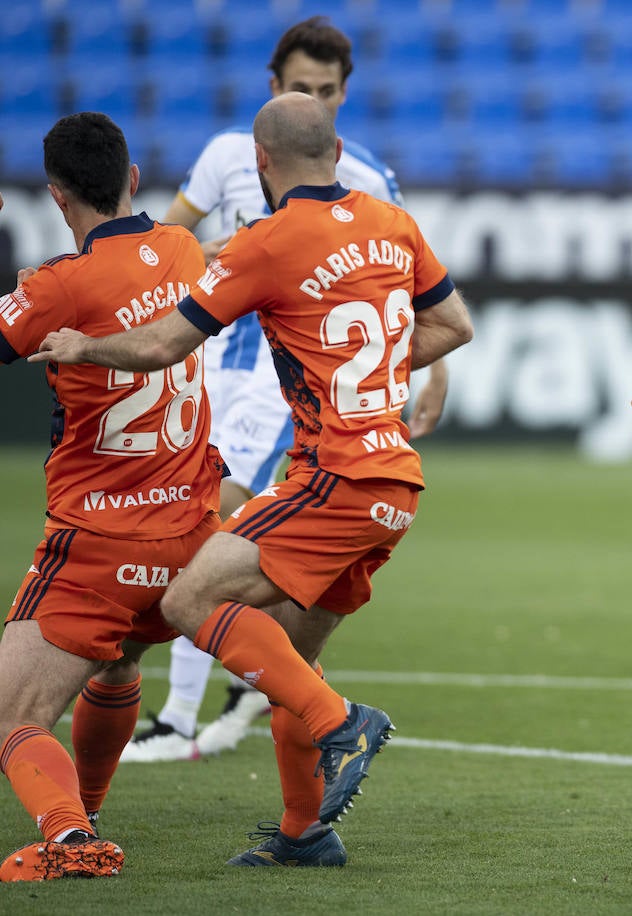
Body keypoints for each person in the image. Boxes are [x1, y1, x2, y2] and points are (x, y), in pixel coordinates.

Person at [32, 92, 475, 868]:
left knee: (191, 600)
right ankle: (307, 834)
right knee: (288, 662)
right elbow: (453, 326)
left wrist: (85, 346)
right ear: (337, 154)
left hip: (331, 478)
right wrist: (360, 375)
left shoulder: (264, 243)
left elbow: (167, 343)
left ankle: (341, 723)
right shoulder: (393, 222)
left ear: (260, 163)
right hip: (396, 487)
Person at [122, 14, 451, 765]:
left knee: (211, 538)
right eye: (303, 87)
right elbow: (168, 246)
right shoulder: (227, 156)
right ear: (274, 90)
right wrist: (193, 257)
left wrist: (419, 372)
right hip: (217, 372)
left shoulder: (366, 181)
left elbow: (412, 301)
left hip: (283, 389)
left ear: (343, 100)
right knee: (207, 544)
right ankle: (299, 805)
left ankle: (178, 718)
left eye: (328, 90)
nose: (317, 99)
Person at [0, 112, 225, 880]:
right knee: (118, 666)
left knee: (13, 712)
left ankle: (70, 838)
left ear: (58, 199)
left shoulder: (58, 286)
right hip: (193, 532)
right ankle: (87, 810)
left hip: (101, 539)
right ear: (131, 179)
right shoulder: (186, 251)